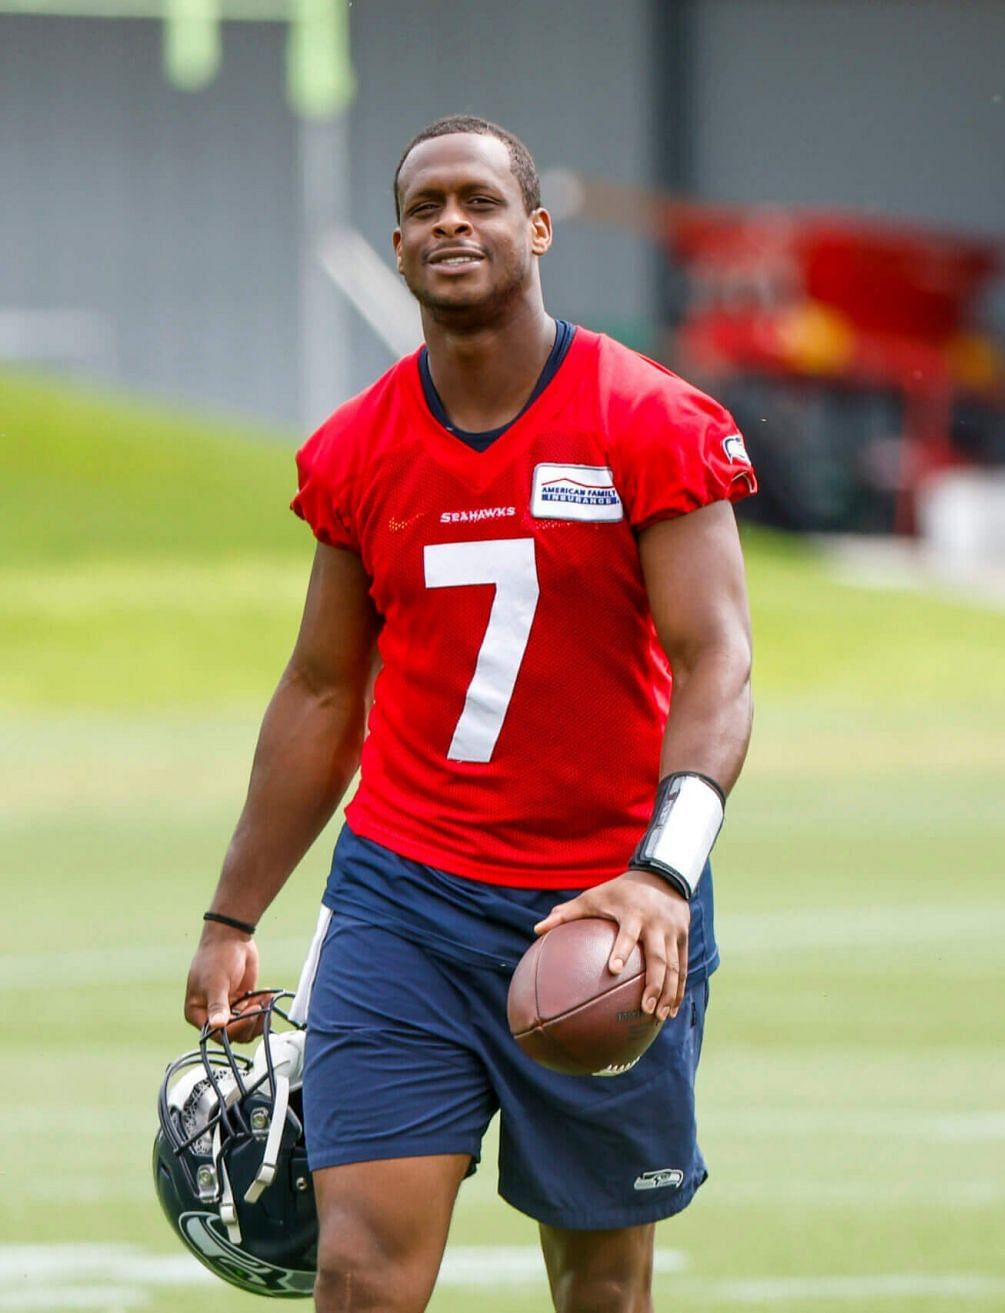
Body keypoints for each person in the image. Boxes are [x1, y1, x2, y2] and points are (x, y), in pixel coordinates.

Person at [182, 115, 756, 1313]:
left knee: (600, 1285)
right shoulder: (358, 449)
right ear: (397, 246)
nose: (454, 221)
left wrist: (664, 873)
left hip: (607, 908)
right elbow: (323, 689)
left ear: (536, 228)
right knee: (360, 1272)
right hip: (408, 901)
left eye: (482, 201)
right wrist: (234, 911)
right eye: (428, 206)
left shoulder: (648, 418)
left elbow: (719, 665)